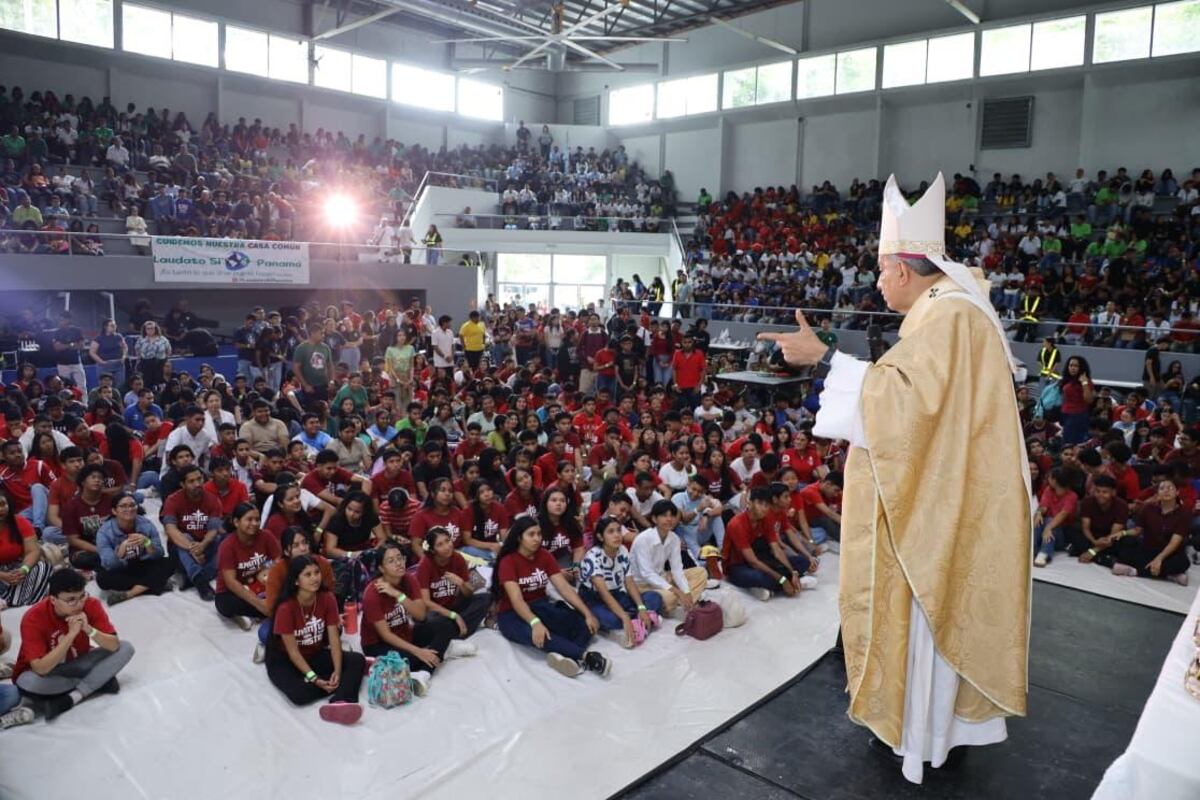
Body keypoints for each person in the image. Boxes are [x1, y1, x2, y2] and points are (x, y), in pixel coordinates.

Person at [760, 172, 1030, 783]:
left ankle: (925, 737)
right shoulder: (948, 314)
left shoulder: (950, 320)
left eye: (881, 272)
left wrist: (824, 357)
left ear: (902, 269)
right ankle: (931, 731)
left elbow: (906, 408)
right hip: (942, 492)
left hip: (936, 510)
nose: (878, 284)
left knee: (926, 617)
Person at [492, 517, 611, 678]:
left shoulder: (544, 555)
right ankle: (586, 657)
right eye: (531, 534)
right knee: (541, 635)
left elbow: (564, 588)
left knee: (585, 624)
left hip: (540, 605)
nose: (537, 538)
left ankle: (562, 655)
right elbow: (516, 600)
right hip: (512, 614)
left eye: (539, 534)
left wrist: (587, 613)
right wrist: (535, 623)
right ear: (519, 538)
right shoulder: (508, 561)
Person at [13, 568, 135, 721]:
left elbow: (114, 646)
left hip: (78, 663)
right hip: (48, 674)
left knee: (126, 648)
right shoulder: (33, 618)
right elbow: (40, 668)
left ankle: (74, 696)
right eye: (71, 600)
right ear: (53, 600)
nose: (78, 604)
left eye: (82, 596)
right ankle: (98, 681)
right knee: (28, 683)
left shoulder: (90, 604)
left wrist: (89, 629)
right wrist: (71, 635)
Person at [361, 541, 475, 696]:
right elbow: (385, 635)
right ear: (381, 568)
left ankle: (424, 673)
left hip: (406, 633)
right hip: (378, 644)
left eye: (400, 558)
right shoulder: (372, 594)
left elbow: (420, 615)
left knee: (446, 624)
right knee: (411, 661)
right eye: (391, 561)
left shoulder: (408, 579)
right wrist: (418, 651)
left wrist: (398, 595)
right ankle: (441, 651)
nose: (398, 563)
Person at [266, 555, 365, 723]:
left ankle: (339, 702)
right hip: (284, 659)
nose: (315, 578)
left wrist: (338, 671)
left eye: (316, 572)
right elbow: (293, 652)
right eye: (308, 574)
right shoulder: (286, 608)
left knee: (357, 660)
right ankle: (339, 685)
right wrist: (315, 679)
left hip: (313, 652)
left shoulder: (327, 598)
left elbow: (334, 639)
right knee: (299, 695)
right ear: (296, 581)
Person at [579, 515, 662, 648]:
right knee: (612, 620)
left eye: (618, 530)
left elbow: (629, 582)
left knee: (655, 597)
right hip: (595, 598)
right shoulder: (592, 556)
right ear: (600, 537)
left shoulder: (623, 550)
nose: (617, 535)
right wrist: (624, 617)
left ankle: (638, 620)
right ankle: (639, 620)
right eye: (611, 532)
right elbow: (603, 593)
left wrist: (641, 607)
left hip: (617, 593)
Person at [723, 487, 816, 601]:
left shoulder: (766, 519)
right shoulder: (736, 524)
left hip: (762, 558)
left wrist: (793, 572)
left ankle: (781, 585)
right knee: (760, 577)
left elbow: (776, 550)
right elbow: (753, 561)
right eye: (760, 503)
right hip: (738, 566)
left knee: (802, 562)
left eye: (766, 505)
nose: (764, 508)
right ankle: (777, 586)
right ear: (750, 503)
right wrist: (782, 579)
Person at [628, 500, 708, 617]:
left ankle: (683, 602)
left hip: (662, 577)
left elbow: (677, 570)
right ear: (654, 519)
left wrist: (686, 591)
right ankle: (679, 602)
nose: (669, 519)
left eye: (672, 516)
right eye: (664, 516)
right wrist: (677, 591)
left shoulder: (674, 538)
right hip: (642, 585)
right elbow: (647, 574)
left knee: (701, 572)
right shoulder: (643, 539)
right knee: (670, 596)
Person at [1109, 478, 1191, 585]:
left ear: (1177, 492)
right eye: (1162, 488)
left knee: (1183, 563)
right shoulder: (1148, 508)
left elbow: (1174, 543)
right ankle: (1170, 575)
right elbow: (1137, 530)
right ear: (1158, 493)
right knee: (1124, 542)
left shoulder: (1183, 514)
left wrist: (1159, 559)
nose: (1166, 491)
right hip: (1148, 550)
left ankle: (1135, 571)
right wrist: (1123, 533)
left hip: (1169, 554)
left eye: (1170, 488)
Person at [95, 491, 173, 604]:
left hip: (143, 564)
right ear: (114, 511)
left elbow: (159, 554)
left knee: (169, 563)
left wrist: (147, 543)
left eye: (132, 505)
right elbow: (110, 565)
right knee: (102, 579)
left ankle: (129, 594)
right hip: (121, 568)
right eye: (123, 506)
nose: (129, 509)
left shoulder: (146, 524)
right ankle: (156, 583)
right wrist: (121, 552)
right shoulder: (104, 532)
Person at [415, 527, 492, 639]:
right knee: (431, 621)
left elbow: (468, 594)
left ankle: (451, 632)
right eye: (440, 545)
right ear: (432, 550)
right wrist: (453, 616)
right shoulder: (425, 565)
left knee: (485, 598)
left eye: (447, 541)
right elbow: (426, 602)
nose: (447, 547)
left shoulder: (458, 558)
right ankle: (456, 630)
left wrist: (461, 584)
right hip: (436, 611)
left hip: (453, 605)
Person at [160, 465, 224, 600]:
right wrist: (192, 549)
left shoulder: (213, 500)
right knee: (185, 536)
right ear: (182, 484)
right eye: (191, 481)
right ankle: (201, 582)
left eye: (199, 479)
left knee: (223, 541)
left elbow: (213, 529)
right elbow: (170, 529)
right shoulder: (172, 500)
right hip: (182, 549)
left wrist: (203, 545)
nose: (197, 484)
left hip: (205, 546)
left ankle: (193, 579)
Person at [215, 503, 280, 629]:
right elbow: (231, 582)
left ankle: (257, 613)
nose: (255, 523)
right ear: (236, 522)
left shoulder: (266, 536)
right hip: (234, 592)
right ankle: (255, 612)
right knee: (224, 604)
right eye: (249, 519)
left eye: (257, 519)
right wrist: (260, 604)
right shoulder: (227, 546)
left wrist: (269, 571)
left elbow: (280, 562)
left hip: (260, 585)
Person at [0, 489, 53, 608]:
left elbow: (34, 550)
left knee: (43, 567)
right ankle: (19, 596)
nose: (1, 509)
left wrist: (23, 570)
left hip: (15, 568)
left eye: (3, 504)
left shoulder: (19, 521)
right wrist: (3, 575)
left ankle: (9, 599)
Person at [1032, 467, 1079, 568]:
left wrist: (1049, 527)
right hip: (1045, 529)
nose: (1048, 479)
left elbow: (1062, 515)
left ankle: (1044, 553)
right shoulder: (1049, 490)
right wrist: (1039, 513)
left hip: (1061, 533)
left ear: (1055, 480)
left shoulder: (1072, 496)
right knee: (1039, 519)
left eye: (1050, 477)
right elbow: (1043, 507)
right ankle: (1032, 548)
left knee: (1050, 521)